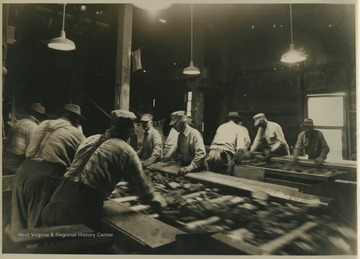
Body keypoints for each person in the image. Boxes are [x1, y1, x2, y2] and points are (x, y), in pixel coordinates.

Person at [41, 110, 167, 231]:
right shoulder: (126, 150)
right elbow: (141, 188)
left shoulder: (90, 139)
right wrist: (157, 200)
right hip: (77, 213)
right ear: (130, 130)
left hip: (54, 202)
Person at [9, 104, 86, 231]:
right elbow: (82, 165)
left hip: (23, 170)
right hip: (45, 177)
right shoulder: (77, 134)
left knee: (19, 224)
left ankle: (17, 248)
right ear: (76, 119)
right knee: (37, 227)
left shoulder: (43, 124)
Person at [3, 103, 47, 175]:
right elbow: (33, 152)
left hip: (6, 163)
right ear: (38, 115)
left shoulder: (16, 124)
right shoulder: (34, 127)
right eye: (42, 116)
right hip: (17, 167)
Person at [162, 110, 207, 176]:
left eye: (175, 124)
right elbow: (176, 147)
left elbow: (201, 153)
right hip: (187, 169)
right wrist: (167, 157)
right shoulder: (180, 135)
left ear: (182, 122)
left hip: (199, 170)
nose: (173, 127)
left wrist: (189, 168)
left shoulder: (194, 134)